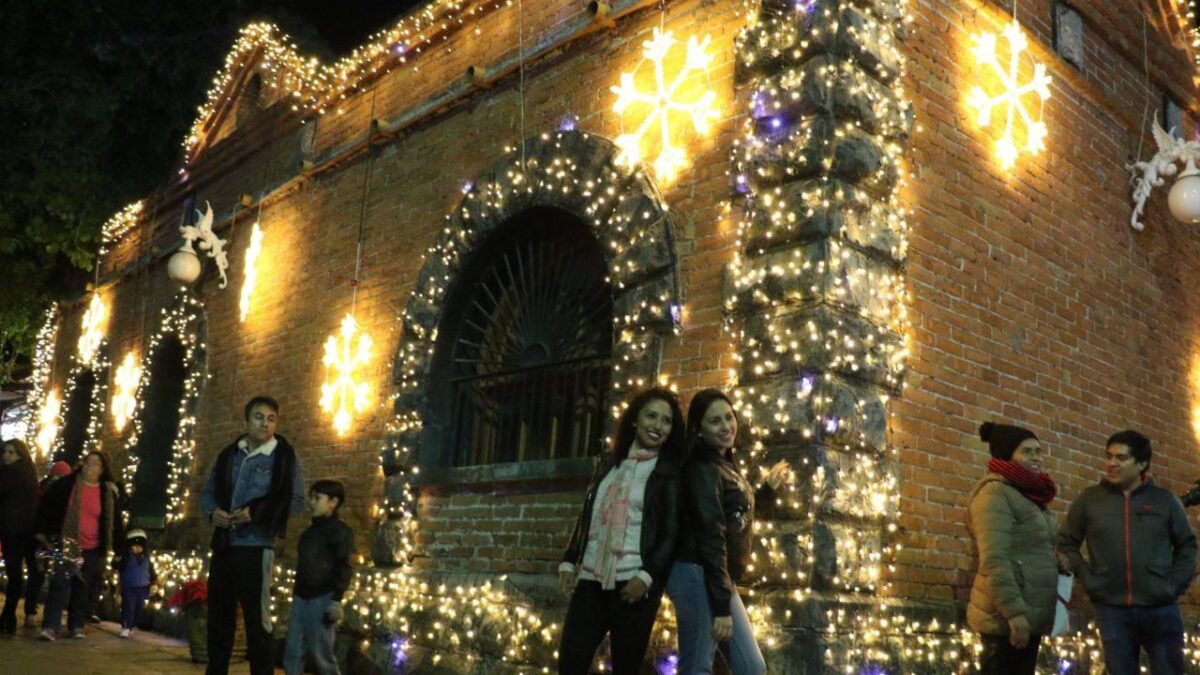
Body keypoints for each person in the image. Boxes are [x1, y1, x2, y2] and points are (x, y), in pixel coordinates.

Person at [557, 387, 686, 675]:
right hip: (591, 579)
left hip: (634, 585)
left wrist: (647, 575)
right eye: (651, 416)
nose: (658, 426)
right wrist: (569, 560)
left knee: (626, 668)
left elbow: (671, 532)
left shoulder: (668, 472)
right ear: (634, 421)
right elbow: (588, 514)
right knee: (569, 663)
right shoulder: (610, 463)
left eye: (666, 421)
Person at [666, 389, 790, 675]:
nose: (726, 426)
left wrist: (765, 490)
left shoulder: (723, 464)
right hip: (698, 573)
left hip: (717, 575)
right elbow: (711, 536)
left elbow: (733, 516)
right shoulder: (702, 470)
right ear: (698, 430)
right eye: (715, 421)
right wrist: (721, 606)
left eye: (728, 417)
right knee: (697, 667)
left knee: (752, 668)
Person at [1058, 430, 1197, 675]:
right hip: (1112, 609)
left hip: (1161, 609)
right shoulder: (1090, 500)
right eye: (1109, 456)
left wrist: (1172, 586)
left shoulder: (1165, 501)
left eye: (1121, 458)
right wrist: (1088, 576)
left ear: (1142, 463)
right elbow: (1066, 542)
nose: (1112, 463)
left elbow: (1187, 546)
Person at [199, 395, 305, 675]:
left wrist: (256, 513)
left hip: (256, 547)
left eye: (271, 419)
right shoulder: (229, 455)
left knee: (258, 621)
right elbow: (207, 493)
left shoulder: (283, 457)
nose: (265, 424)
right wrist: (214, 513)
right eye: (259, 417)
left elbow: (295, 500)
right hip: (224, 545)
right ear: (246, 421)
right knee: (219, 618)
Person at [965, 422, 1059, 674]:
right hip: (1003, 618)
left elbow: (1037, 551)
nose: (1036, 458)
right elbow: (994, 559)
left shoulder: (1031, 495)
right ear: (1007, 454)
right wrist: (1014, 614)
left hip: (1030, 614)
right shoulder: (994, 493)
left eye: (1038, 451)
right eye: (1026, 451)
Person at [34, 450, 123, 640]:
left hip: (93, 546)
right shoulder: (68, 485)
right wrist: (43, 531)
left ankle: (76, 625)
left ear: (102, 469)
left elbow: (114, 521)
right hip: (67, 542)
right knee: (60, 583)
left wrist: (118, 548)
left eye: (95, 464)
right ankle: (50, 626)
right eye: (87, 462)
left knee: (83, 587)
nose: (90, 467)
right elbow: (49, 506)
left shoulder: (106, 492)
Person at [282, 479, 355, 675]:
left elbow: (343, 567)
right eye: (311, 498)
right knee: (292, 651)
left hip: (322, 597)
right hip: (301, 596)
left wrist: (336, 600)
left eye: (317, 498)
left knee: (321, 652)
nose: (311, 502)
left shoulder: (341, 532)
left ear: (333, 502)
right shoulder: (309, 533)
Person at [22, 460, 73, 627]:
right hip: (48, 540)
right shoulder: (63, 491)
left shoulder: (40, 489)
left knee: (37, 575)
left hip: (39, 539)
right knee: (51, 575)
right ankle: (45, 614)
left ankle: (31, 612)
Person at [0, 438, 39, 633]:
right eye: (5, 451)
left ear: (20, 455)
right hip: (25, 530)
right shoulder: (30, 472)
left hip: (11, 529)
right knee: (16, 574)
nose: (7, 455)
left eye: (11, 452)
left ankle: (8, 616)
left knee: (14, 573)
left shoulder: (11, 472)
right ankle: (9, 615)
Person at [115, 528, 156, 638]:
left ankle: (131, 625)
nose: (137, 548)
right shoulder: (126, 557)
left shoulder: (147, 558)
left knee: (139, 607)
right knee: (128, 606)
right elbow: (118, 565)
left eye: (140, 546)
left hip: (142, 587)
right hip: (129, 587)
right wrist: (117, 560)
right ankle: (125, 626)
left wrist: (154, 581)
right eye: (134, 546)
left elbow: (151, 571)